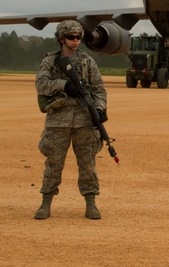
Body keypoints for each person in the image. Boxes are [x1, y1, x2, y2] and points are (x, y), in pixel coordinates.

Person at [33, 20, 108, 220]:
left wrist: (99, 109)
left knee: (87, 164)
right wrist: (63, 85)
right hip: (58, 120)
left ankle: (91, 203)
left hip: (84, 120)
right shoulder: (50, 61)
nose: (75, 41)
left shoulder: (87, 62)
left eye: (78, 37)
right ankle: (45, 203)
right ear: (61, 39)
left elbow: (99, 90)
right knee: (54, 163)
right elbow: (41, 84)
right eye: (71, 37)